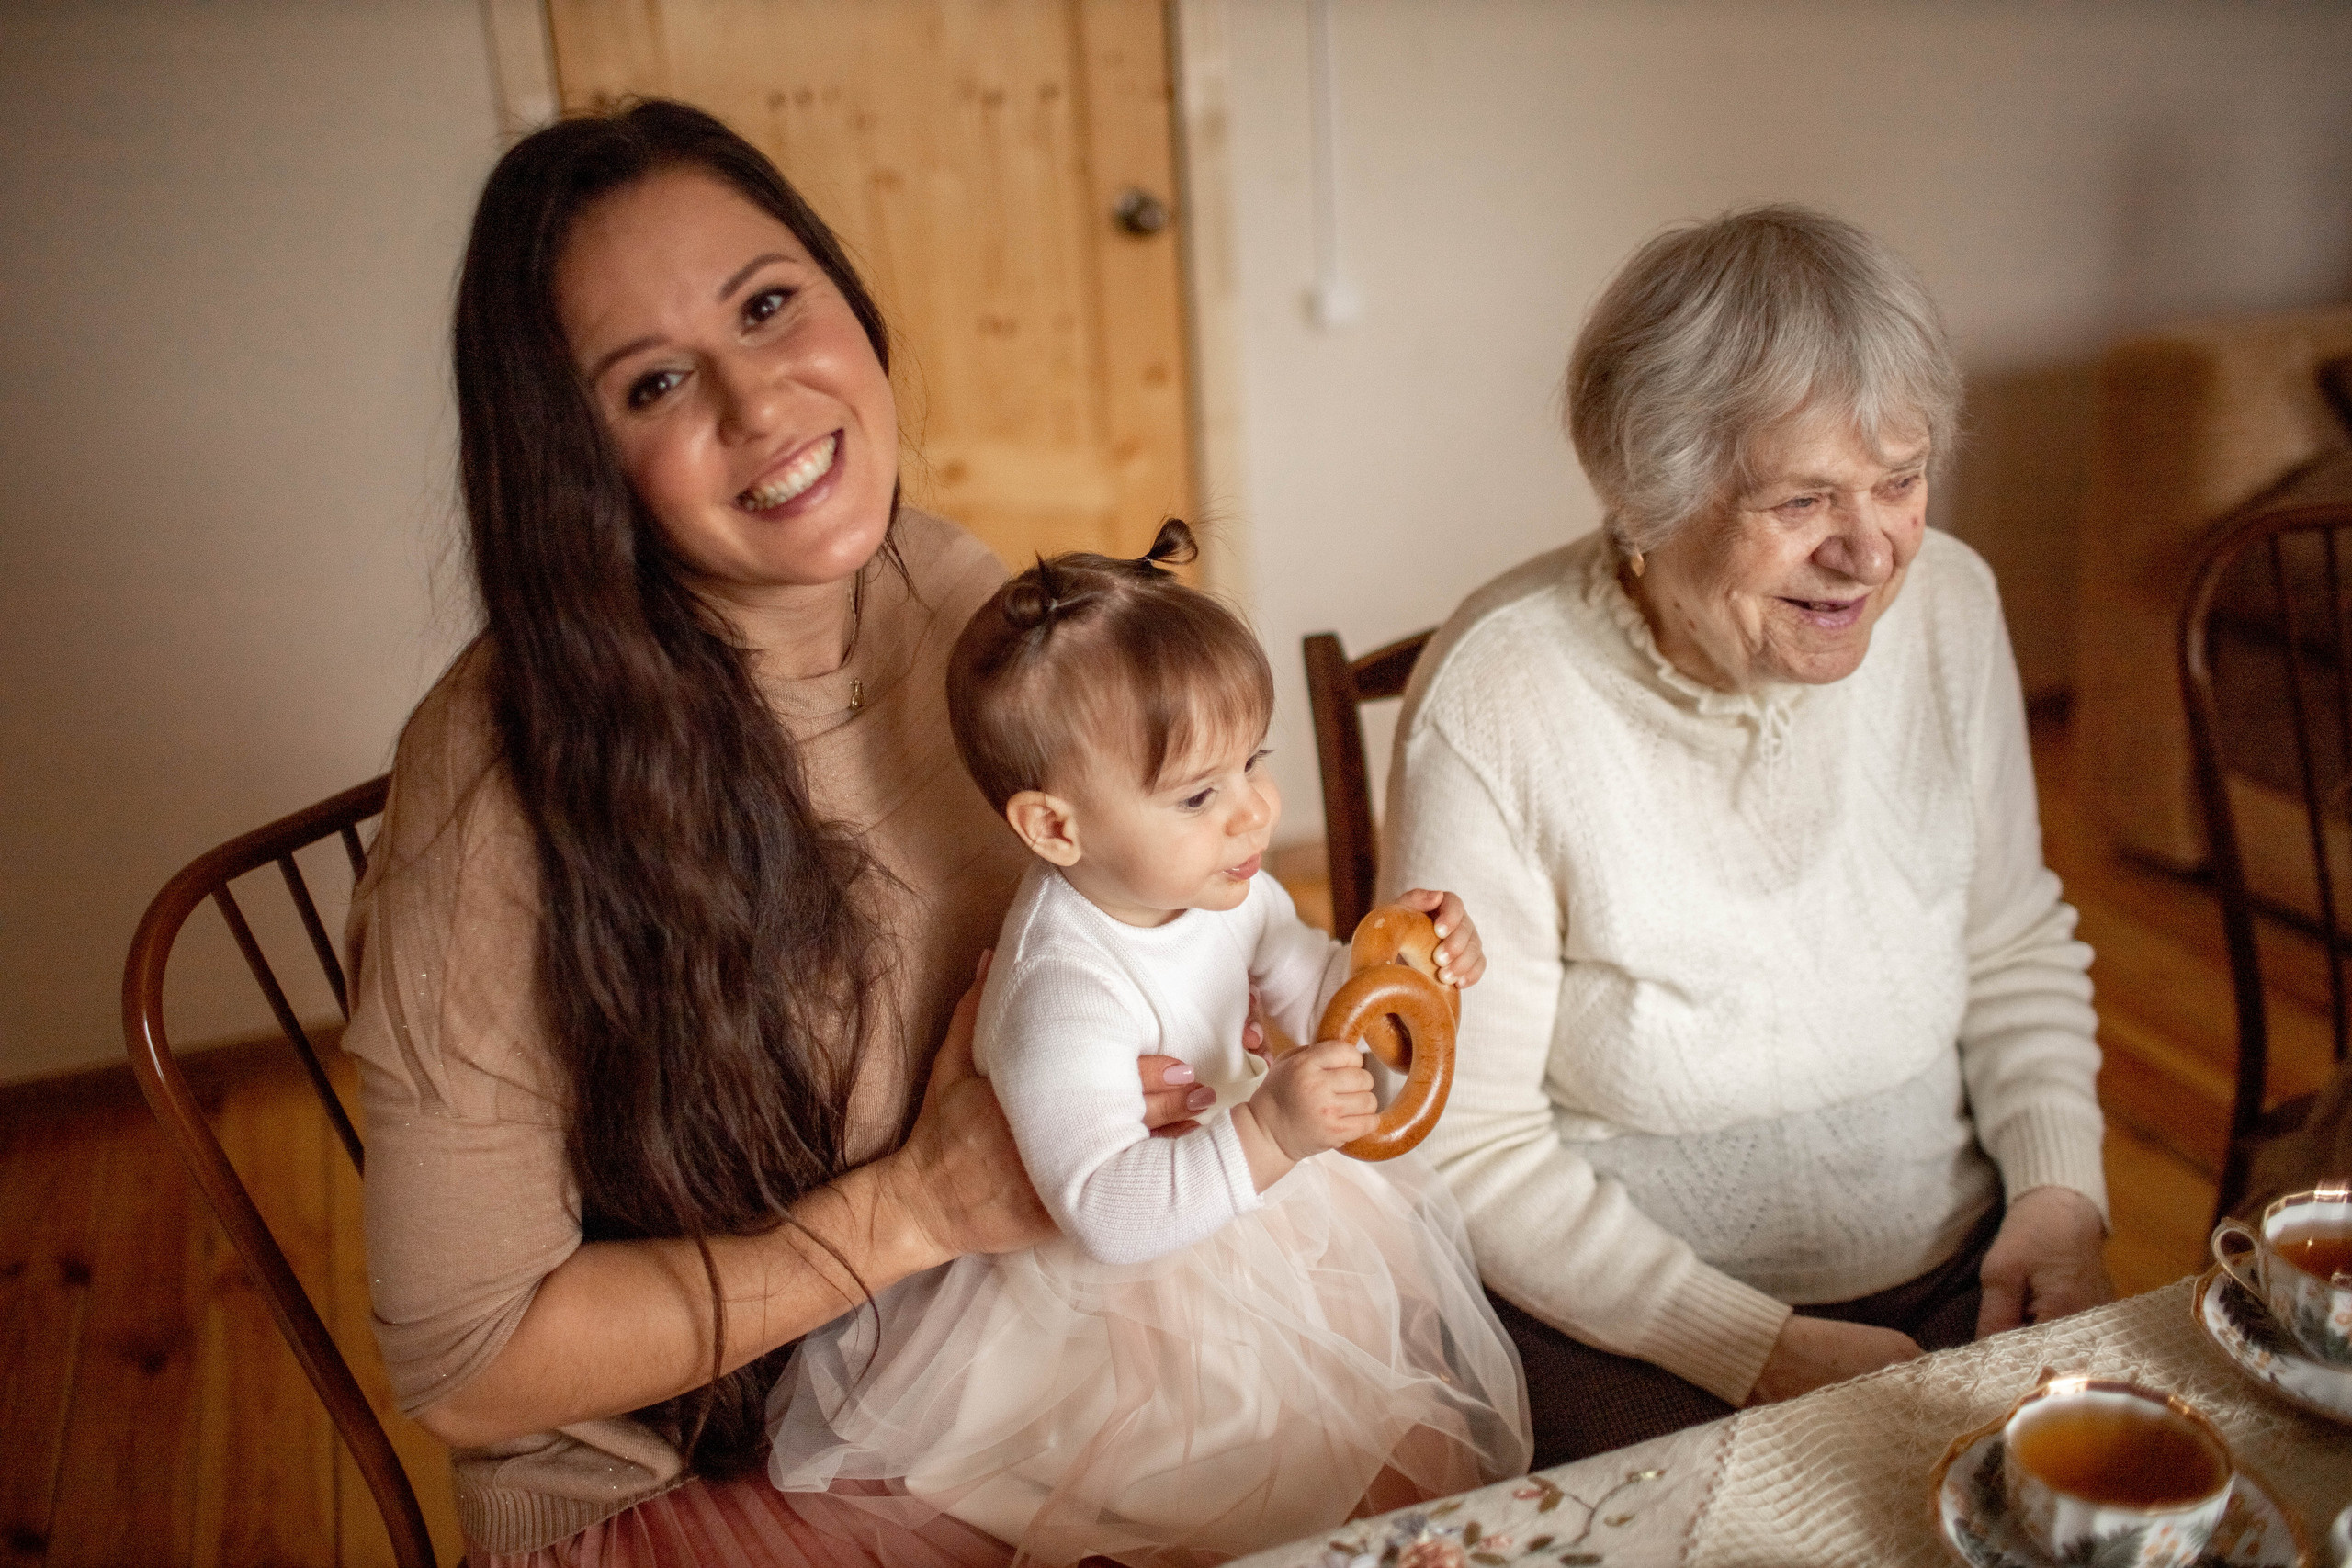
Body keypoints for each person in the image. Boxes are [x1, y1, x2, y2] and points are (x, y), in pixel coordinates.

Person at [343, 102, 1236, 1566]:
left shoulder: (945, 588)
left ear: (850, 303)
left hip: (965, 1336)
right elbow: (473, 1360)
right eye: (652, 385)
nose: (761, 406)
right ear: (573, 461)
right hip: (676, 1470)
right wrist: (910, 1211)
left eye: (770, 305)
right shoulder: (495, 796)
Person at [1384, 205, 2115, 1465]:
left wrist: (2058, 1195)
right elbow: (1466, 1133)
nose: (1872, 547)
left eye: (1900, 478)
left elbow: (2008, 944)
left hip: (1968, 1272)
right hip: (1624, 1329)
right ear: (1648, 499)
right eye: (1803, 497)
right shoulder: (1503, 695)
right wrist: (1755, 1343)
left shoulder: (1952, 605)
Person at [764, 523, 1529, 1565]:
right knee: (1243, 1502)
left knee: (1383, 1448)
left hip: (1256, 1210)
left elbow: (1318, 993)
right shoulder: (1062, 989)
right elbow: (1106, 1214)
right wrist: (1267, 1129)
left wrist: (1404, 973)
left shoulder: (1228, 884)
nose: (1255, 809)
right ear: (1056, 830)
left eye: (1251, 761)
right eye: (1197, 795)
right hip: (1125, 1306)